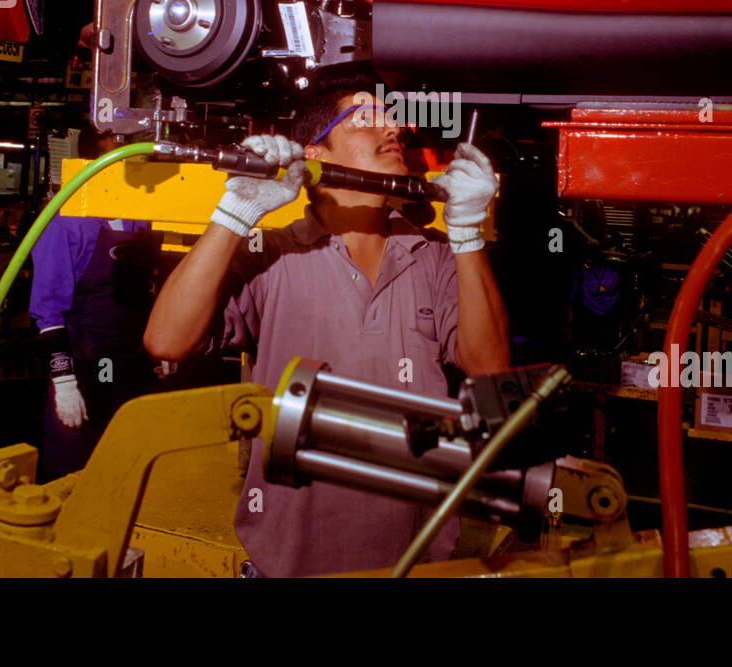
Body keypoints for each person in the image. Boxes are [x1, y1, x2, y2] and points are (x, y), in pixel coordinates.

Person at [144, 74, 510, 577]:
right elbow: (166, 340)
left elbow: (490, 368)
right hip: (291, 562)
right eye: (365, 117)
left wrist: (466, 233)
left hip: (418, 558)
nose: (393, 127)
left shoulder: (436, 258)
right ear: (318, 153)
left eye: (391, 116)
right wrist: (235, 213)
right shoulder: (273, 256)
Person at [30, 125, 162, 479]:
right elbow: (48, 309)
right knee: (74, 469)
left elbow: (150, 288)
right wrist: (64, 382)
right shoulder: (67, 222)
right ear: (88, 166)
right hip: (83, 366)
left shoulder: (140, 217)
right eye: (109, 162)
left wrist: (159, 350)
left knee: (126, 468)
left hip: (130, 362)